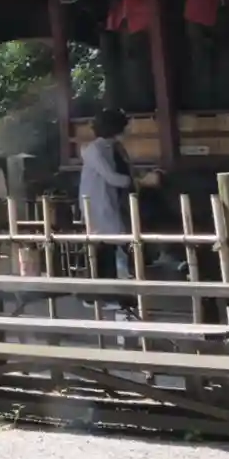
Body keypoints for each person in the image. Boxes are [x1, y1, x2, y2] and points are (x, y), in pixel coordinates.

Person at [78, 108, 162, 316]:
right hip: (97, 203)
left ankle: (106, 293)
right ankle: (97, 296)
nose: (127, 130)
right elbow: (112, 177)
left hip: (108, 202)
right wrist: (140, 182)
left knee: (108, 246)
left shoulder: (114, 147)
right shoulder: (96, 150)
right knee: (103, 247)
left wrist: (137, 177)